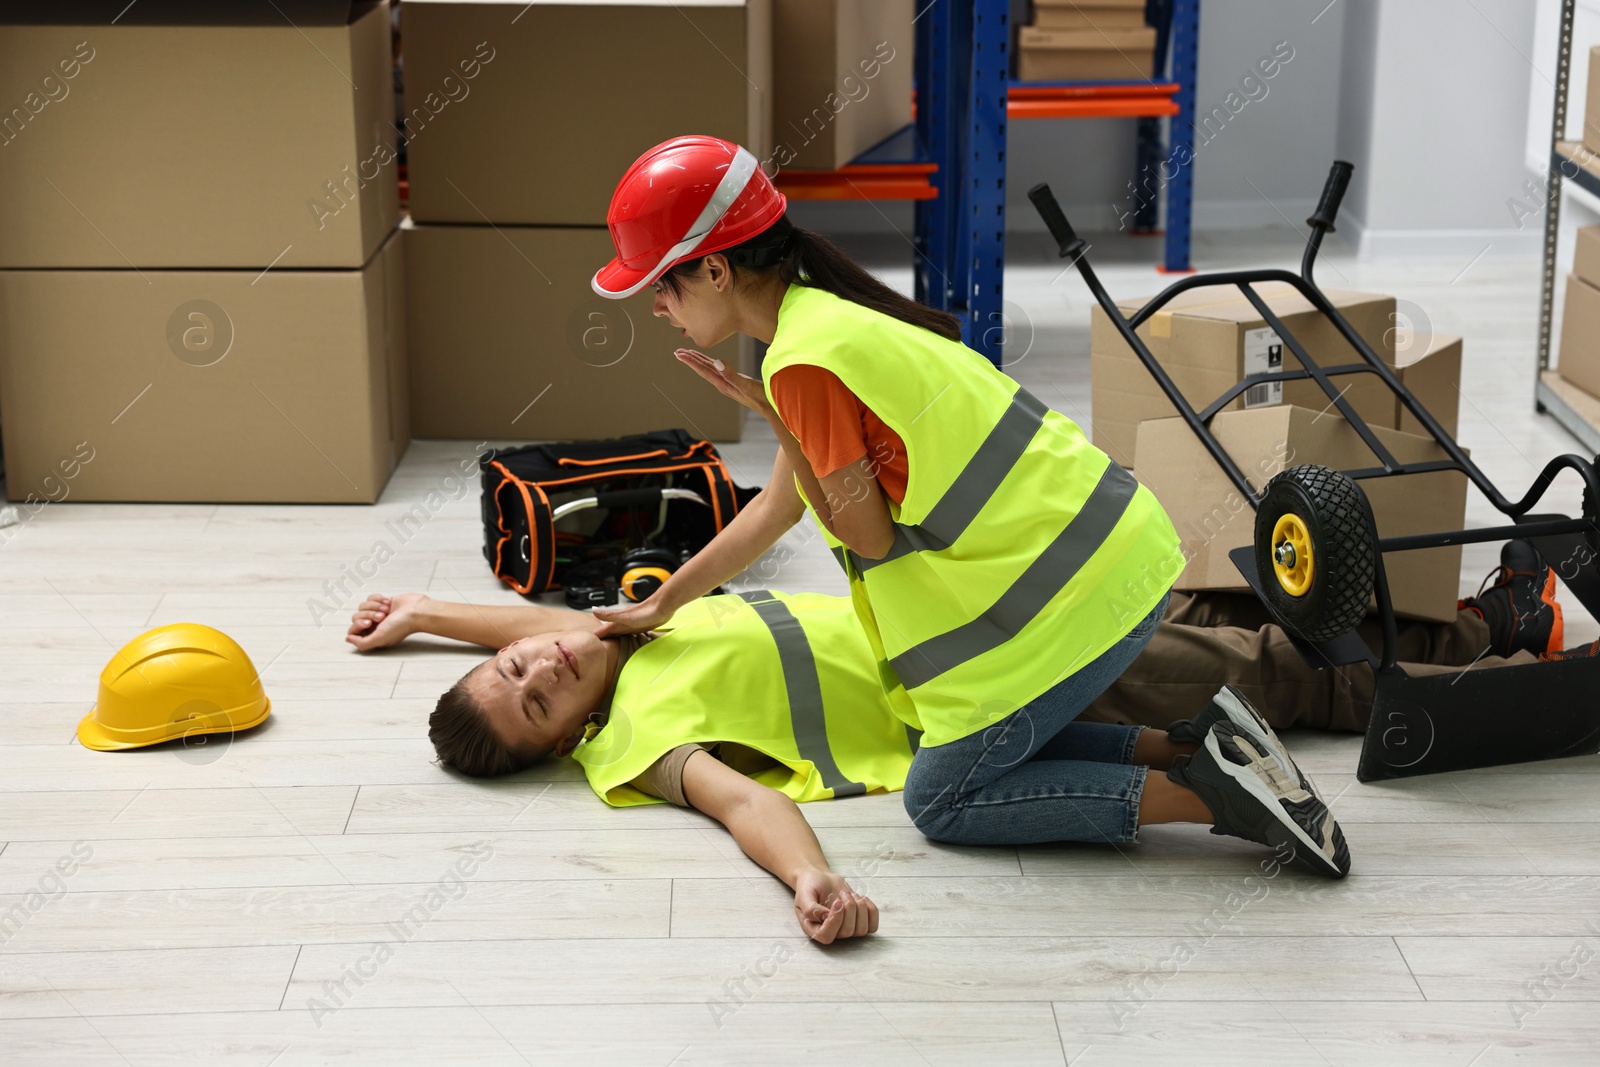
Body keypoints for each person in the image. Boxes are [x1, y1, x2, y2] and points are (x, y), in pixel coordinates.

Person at [582, 134, 1351, 877]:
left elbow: (869, 537)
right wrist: (669, 600)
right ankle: (1206, 747)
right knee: (967, 750)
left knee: (943, 797)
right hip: (1120, 551)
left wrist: (778, 415)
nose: (657, 305)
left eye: (663, 282)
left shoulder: (802, 364)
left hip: (1089, 593)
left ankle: (1216, 794)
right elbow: (780, 507)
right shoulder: (828, 320)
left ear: (715, 269)